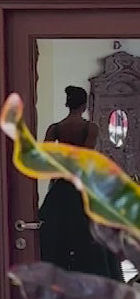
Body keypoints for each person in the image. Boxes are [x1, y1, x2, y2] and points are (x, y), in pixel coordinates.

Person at [38, 84, 122, 278]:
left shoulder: (55, 128)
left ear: (67, 104)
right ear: (84, 106)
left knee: (55, 233)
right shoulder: (90, 128)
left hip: (60, 187)